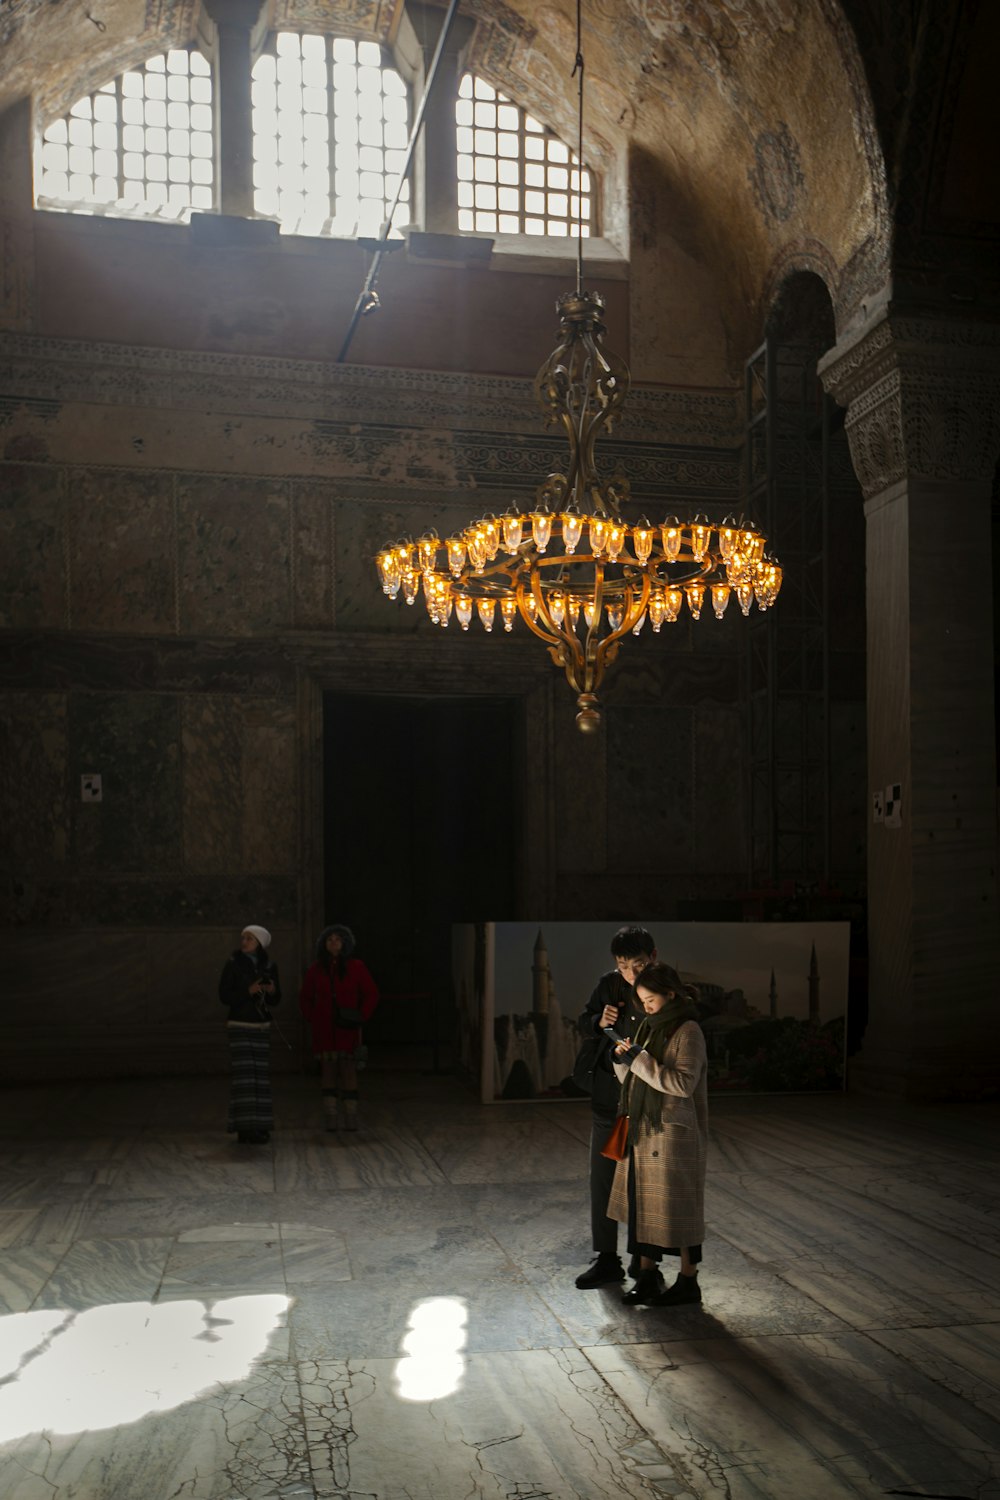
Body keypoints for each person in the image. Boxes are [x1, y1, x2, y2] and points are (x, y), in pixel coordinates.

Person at [608, 960, 708, 1307]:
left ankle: (688, 1280)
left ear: (670, 994)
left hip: (672, 1134)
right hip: (644, 1128)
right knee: (644, 1207)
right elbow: (637, 1078)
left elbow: (682, 1084)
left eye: (651, 1000)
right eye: (642, 1001)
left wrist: (639, 1060)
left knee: (680, 1210)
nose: (646, 1007)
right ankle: (647, 1276)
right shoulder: (650, 1026)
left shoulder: (688, 1030)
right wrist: (622, 1060)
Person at [573, 924, 656, 1288]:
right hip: (609, 1098)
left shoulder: (665, 985)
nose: (631, 974)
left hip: (647, 1101)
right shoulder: (609, 984)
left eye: (637, 965)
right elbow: (583, 1022)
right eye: (624, 965)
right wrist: (598, 1020)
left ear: (653, 957)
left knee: (645, 1185)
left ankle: (645, 1262)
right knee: (603, 1181)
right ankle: (607, 1258)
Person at [299, 924, 379, 1131]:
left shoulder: (356, 967)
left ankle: (351, 1116)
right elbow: (305, 997)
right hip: (324, 1029)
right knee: (328, 1070)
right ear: (323, 945)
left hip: (348, 1028)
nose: (333, 942)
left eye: (338, 939)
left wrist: (361, 1016)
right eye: (329, 939)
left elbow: (371, 993)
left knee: (349, 1070)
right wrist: (313, 1017)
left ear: (345, 943)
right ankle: (331, 1115)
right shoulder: (316, 970)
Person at [219, 924, 281, 1145]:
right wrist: (248, 991)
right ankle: (245, 1128)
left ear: (259, 944)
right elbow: (224, 995)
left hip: (261, 1025)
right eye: (243, 937)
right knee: (245, 1077)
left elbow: (275, 1000)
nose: (244, 942)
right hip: (239, 1023)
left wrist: (271, 991)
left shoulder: (269, 966)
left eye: (250, 939)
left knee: (260, 1078)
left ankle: (261, 1125)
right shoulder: (233, 964)